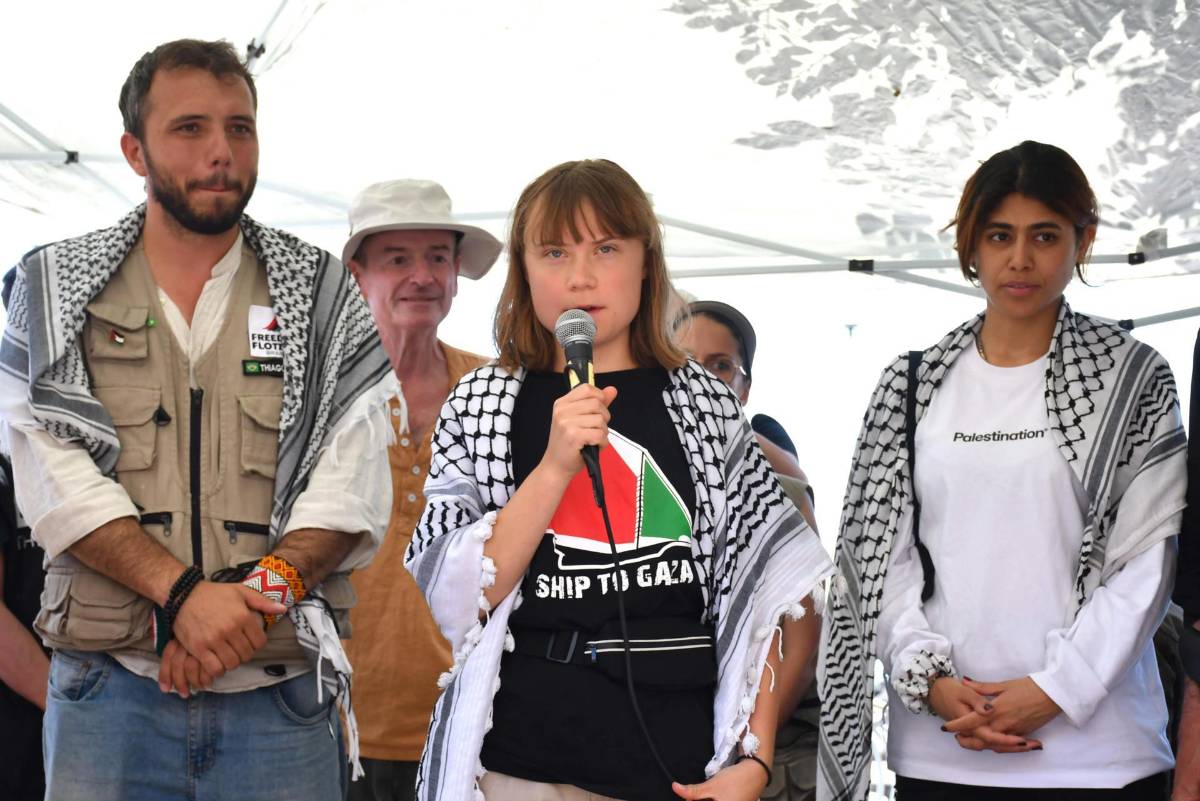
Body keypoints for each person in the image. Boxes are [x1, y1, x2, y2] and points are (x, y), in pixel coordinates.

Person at [0, 39, 395, 801]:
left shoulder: (321, 293)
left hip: (278, 697)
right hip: (107, 696)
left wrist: (243, 610)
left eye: (239, 128)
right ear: (134, 150)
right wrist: (184, 596)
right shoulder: (52, 289)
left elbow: (349, 485)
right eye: (190, 128)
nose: (221, 151)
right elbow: (51, 480)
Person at [404, 159, 833, 801]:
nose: (580, 276)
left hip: (677, 763)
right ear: (524, 270)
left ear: (645, 262)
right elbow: (458, 599)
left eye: (605, 248)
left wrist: (756, 755)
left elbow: (774, 591)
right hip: (521, 761)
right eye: (554, 251)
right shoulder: (482, 401)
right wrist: (554, 465)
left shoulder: (703, 404)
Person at [818, 140, 1186, 801]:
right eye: (999, 235)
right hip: (942, 747)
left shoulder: (1131, 378)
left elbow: (1146, 564)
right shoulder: (911, 385)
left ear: (1082, 240)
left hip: (1102, 757)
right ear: (970, 244)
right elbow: (879, 563)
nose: (1020, 259)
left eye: (1044, 235)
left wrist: (1057, 688)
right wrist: (930, 680)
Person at [340, 179, 502, 801]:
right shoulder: (322, 390)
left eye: (438, 257)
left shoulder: (495, 389)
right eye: (398, 259)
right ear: (357, 273)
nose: (423, 276)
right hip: (330, 716)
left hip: (469, 721)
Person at [673, 299, 815, 522]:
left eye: (721, 366)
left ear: (745, 390)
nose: (699, 376)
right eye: (685, 361)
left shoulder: (784, 500)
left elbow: (797, 480)